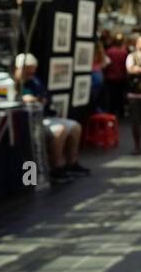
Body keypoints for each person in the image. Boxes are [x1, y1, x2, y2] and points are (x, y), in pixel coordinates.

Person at [15, 52, 88, 183]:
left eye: (33, 71)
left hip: (44, 116)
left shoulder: (35, 81)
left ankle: (71, 163)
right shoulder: (14, 83)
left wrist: (38, 100)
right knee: (60, 130)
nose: (31, 75)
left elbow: (44, 98)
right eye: (28, 72)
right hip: (29, 121)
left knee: (75, 126)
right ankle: (56, 168)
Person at [103, 33, 128, 117]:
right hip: (121, 77)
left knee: (111, 97)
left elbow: (105, 65)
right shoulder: (124, 52)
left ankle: (111, 112)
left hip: (110, 78)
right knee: (120, 96)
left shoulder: (109, 51)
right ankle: (120, 112)